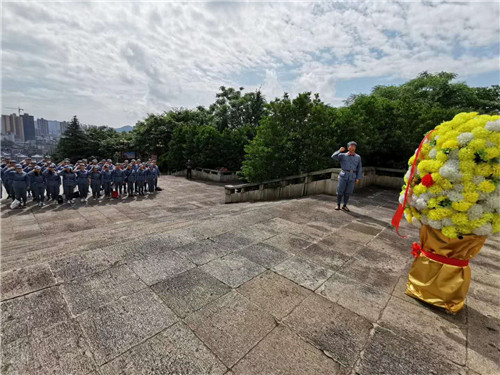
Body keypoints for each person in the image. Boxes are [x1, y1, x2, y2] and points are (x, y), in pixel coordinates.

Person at [331, 141, 363, 212]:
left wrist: (358, 177)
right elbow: (333, 156)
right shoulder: (342, 155)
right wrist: (339, 150)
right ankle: (338, 204)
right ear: (348, 147)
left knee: (348, 192)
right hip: (343, 175)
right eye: (351, 146)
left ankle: (344, 205)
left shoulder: (358, 157)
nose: (353, 148)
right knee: (340, 190)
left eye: (354, 147)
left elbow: (359, 167)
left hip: (352, 176)